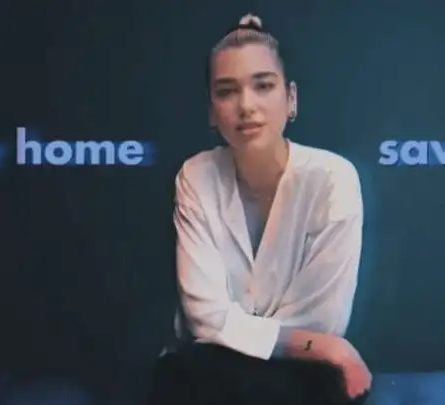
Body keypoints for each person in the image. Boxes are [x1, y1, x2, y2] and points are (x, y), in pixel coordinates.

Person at [145, 14, 371, 405]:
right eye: (227, 91)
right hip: (207, 372)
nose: (246, 105)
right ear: (212, 111)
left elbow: (323, 321)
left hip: (297, 376)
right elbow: (205, 318)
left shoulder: (333, 179)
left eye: (263, 86)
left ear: (291, 98)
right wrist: (328, 348)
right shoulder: (196, 176)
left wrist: (312, 345)